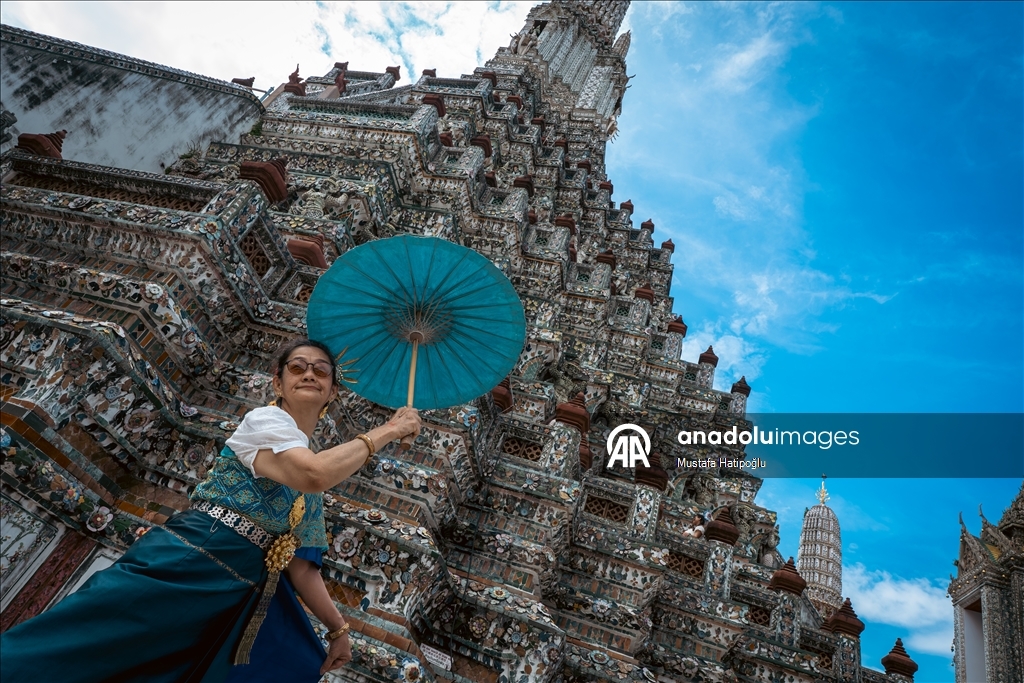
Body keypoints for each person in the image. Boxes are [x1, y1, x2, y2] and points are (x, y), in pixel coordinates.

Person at [0, 339, 421, 683]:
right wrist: (389, 429)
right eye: (297, 367)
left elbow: (301, 566)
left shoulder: (307, 478)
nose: (309, 373)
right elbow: (313, 474)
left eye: (321, 371)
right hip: (192, 557)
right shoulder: (265, 422)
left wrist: (338, 630)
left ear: (331, 391)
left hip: (239, 591)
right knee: (86, 640)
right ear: (277, 382)